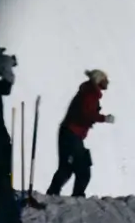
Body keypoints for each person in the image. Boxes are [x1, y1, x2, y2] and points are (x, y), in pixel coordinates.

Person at [46, 69, 113, 198]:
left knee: (67, 168)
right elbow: (86, 114)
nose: (107, 82)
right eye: (105, 80)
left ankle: (53, 193)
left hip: (70, 132)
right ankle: (76, 196)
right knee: (82, 169)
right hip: (72, 133)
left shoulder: (88, 92)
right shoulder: (90, 94)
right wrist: (103, 118)